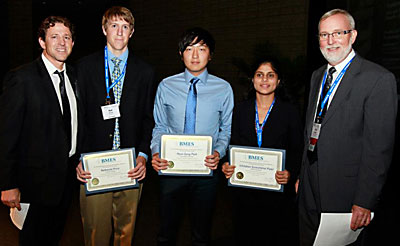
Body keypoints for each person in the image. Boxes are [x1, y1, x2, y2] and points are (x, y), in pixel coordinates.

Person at [297, 9, 397, 245]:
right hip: (310, 184)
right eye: (323, 35)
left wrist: (365, 200)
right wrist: (303, 173)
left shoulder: (378, 79)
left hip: (346, 190)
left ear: (352, 36)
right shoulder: (317, 76)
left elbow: (379, 148)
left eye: (337, 33)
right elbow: (313, 128)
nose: (330, 41)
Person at [75, 6, 156, 246]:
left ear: (131, 32)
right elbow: (77, 117)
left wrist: (143, 156)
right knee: (95, 233)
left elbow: (149, 118)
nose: (119, 32)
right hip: (94, 163)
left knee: (126, 233)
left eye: (125, 27)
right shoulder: (84, 67)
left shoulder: (146, 71)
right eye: (113, 26)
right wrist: (80, 157)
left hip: (131, 165)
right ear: (104, 29)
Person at [0, 16, 81, 245]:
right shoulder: (22, 79)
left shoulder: (75, 77)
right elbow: (7, 135)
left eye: (67, 37)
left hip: (65, 181)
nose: (62, 42)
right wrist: (8, 184)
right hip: (34, 185)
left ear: (73, 43)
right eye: (54, 36)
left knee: (54, 237)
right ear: (42, 42)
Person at [151, 27, 234, 246]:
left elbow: (226, 129)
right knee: (166, 232)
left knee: (202, 233)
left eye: (202, 49)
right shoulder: (166, 86)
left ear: (211, 54)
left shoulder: (223, 89)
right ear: (181, 54)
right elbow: (160, 125)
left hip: (206, 173)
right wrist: (156, 152)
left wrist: (219, 152)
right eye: (189, 49)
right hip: (171, 169)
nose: (195, 55)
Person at [221, 57, 303, 246]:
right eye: (259, 75)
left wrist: (290, 173)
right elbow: (230, 143)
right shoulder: (240, 110)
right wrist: (226, 164)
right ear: (252, 79)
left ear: (279, 81)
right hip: (245, 192)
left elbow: (297, 148)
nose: (265, 80)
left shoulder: (289, 112)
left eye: (270, 75)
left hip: (277, 193)